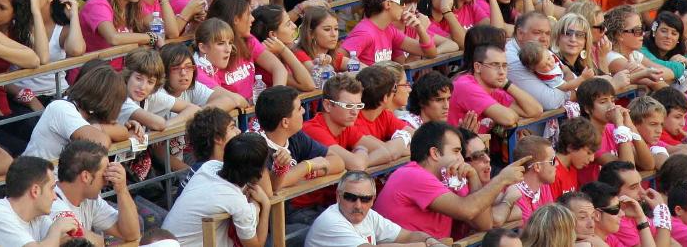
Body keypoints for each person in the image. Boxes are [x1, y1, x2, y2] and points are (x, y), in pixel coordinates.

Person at [374, 121, 529, 238]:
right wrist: (501, 180)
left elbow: (484, 224)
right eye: (456, 151)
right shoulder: (412, 175)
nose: (461, 158)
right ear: (435, 153)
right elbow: (467, 210)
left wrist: (474, 178)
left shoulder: (448, 177)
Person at [162, 132, 272, 247]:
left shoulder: (209, 166)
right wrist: (265, 205)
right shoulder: (236, 202)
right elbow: (255, 246)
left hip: (164, 241)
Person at [305, 170, 442, 247]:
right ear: (338, 197)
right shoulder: (331, 221)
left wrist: (431, 241)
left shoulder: (369, 215)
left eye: (365, 199)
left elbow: (407, 236)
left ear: (373, 200)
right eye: (350, 197)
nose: (358, 205)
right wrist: (424, 246)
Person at [50, 139, 141, 245]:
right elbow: (83, 241)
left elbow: (132, 234)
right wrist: (105, 242)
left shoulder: (90, 199)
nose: (107, 180)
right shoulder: (53, 202)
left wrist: (122, 190)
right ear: (86, 177)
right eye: (104, 174)